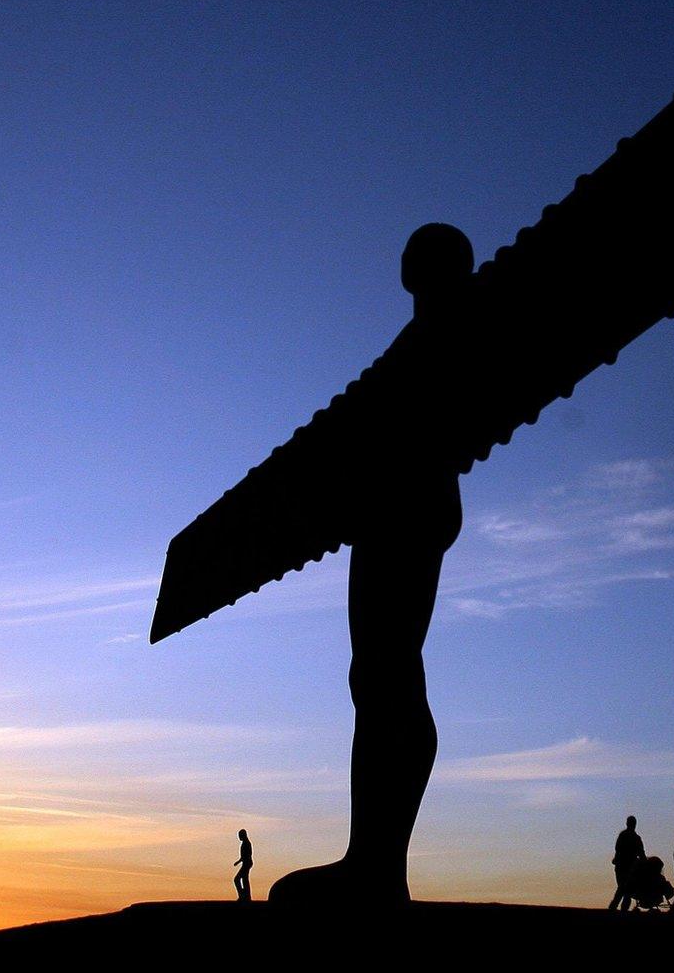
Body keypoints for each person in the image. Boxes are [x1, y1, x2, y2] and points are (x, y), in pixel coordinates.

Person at [268, 224, 473, 908]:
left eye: (424, 255)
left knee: (388, 669)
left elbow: (420, 422)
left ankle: (379, 865)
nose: (411, 264)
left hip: (410, 504)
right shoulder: (419, 341)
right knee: (378, 671)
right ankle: (374, 858)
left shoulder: (449, 331)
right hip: (397, 504)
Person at [609, 815, 645, 911]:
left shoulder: (623, 835)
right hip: (629, 867)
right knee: (626, 889)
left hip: (620, 865)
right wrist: (644, 863)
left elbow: (617, 848)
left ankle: (614, 907)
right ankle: (621, 909)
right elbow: (641, 853)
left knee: (622, 888)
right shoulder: (636, 838)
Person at [233, 829, 253, 900]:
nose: (239, 837)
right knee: (244, 879)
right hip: (246, 863)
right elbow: (243, 856)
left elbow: (247, 855)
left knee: (237, 879)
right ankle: (246, 896)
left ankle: (243, 895)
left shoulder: (247, 843)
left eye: (240, 836)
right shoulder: (245, 843)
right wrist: (238, 862)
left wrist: (239, 861)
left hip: (247, 864)